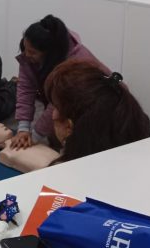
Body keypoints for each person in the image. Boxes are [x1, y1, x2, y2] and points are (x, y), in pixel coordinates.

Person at [9, 14, 109, 150]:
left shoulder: (76, 63)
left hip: (104, 108)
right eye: (25, 48)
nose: (26, 55)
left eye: (32, 52)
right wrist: (23, 129)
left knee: (79, 145)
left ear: (50, 54)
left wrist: (34, 136)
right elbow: (25, 89)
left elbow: (56, 105)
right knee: (55, 135)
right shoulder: (30, 54)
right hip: (71, 106)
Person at [44, 59, 150, 163]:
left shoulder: (72, 170)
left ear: (69, 126)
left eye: (55, 106)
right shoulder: (141, 147)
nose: (53, 115)